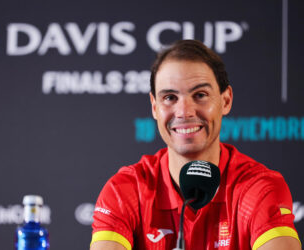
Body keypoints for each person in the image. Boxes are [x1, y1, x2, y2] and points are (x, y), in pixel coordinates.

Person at [90, 40, 301, 250]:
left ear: (225, 101)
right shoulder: (125, 190)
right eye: (170, 97)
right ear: (154, 107)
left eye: (200, 95)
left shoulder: (258, 188)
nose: (184, 111)